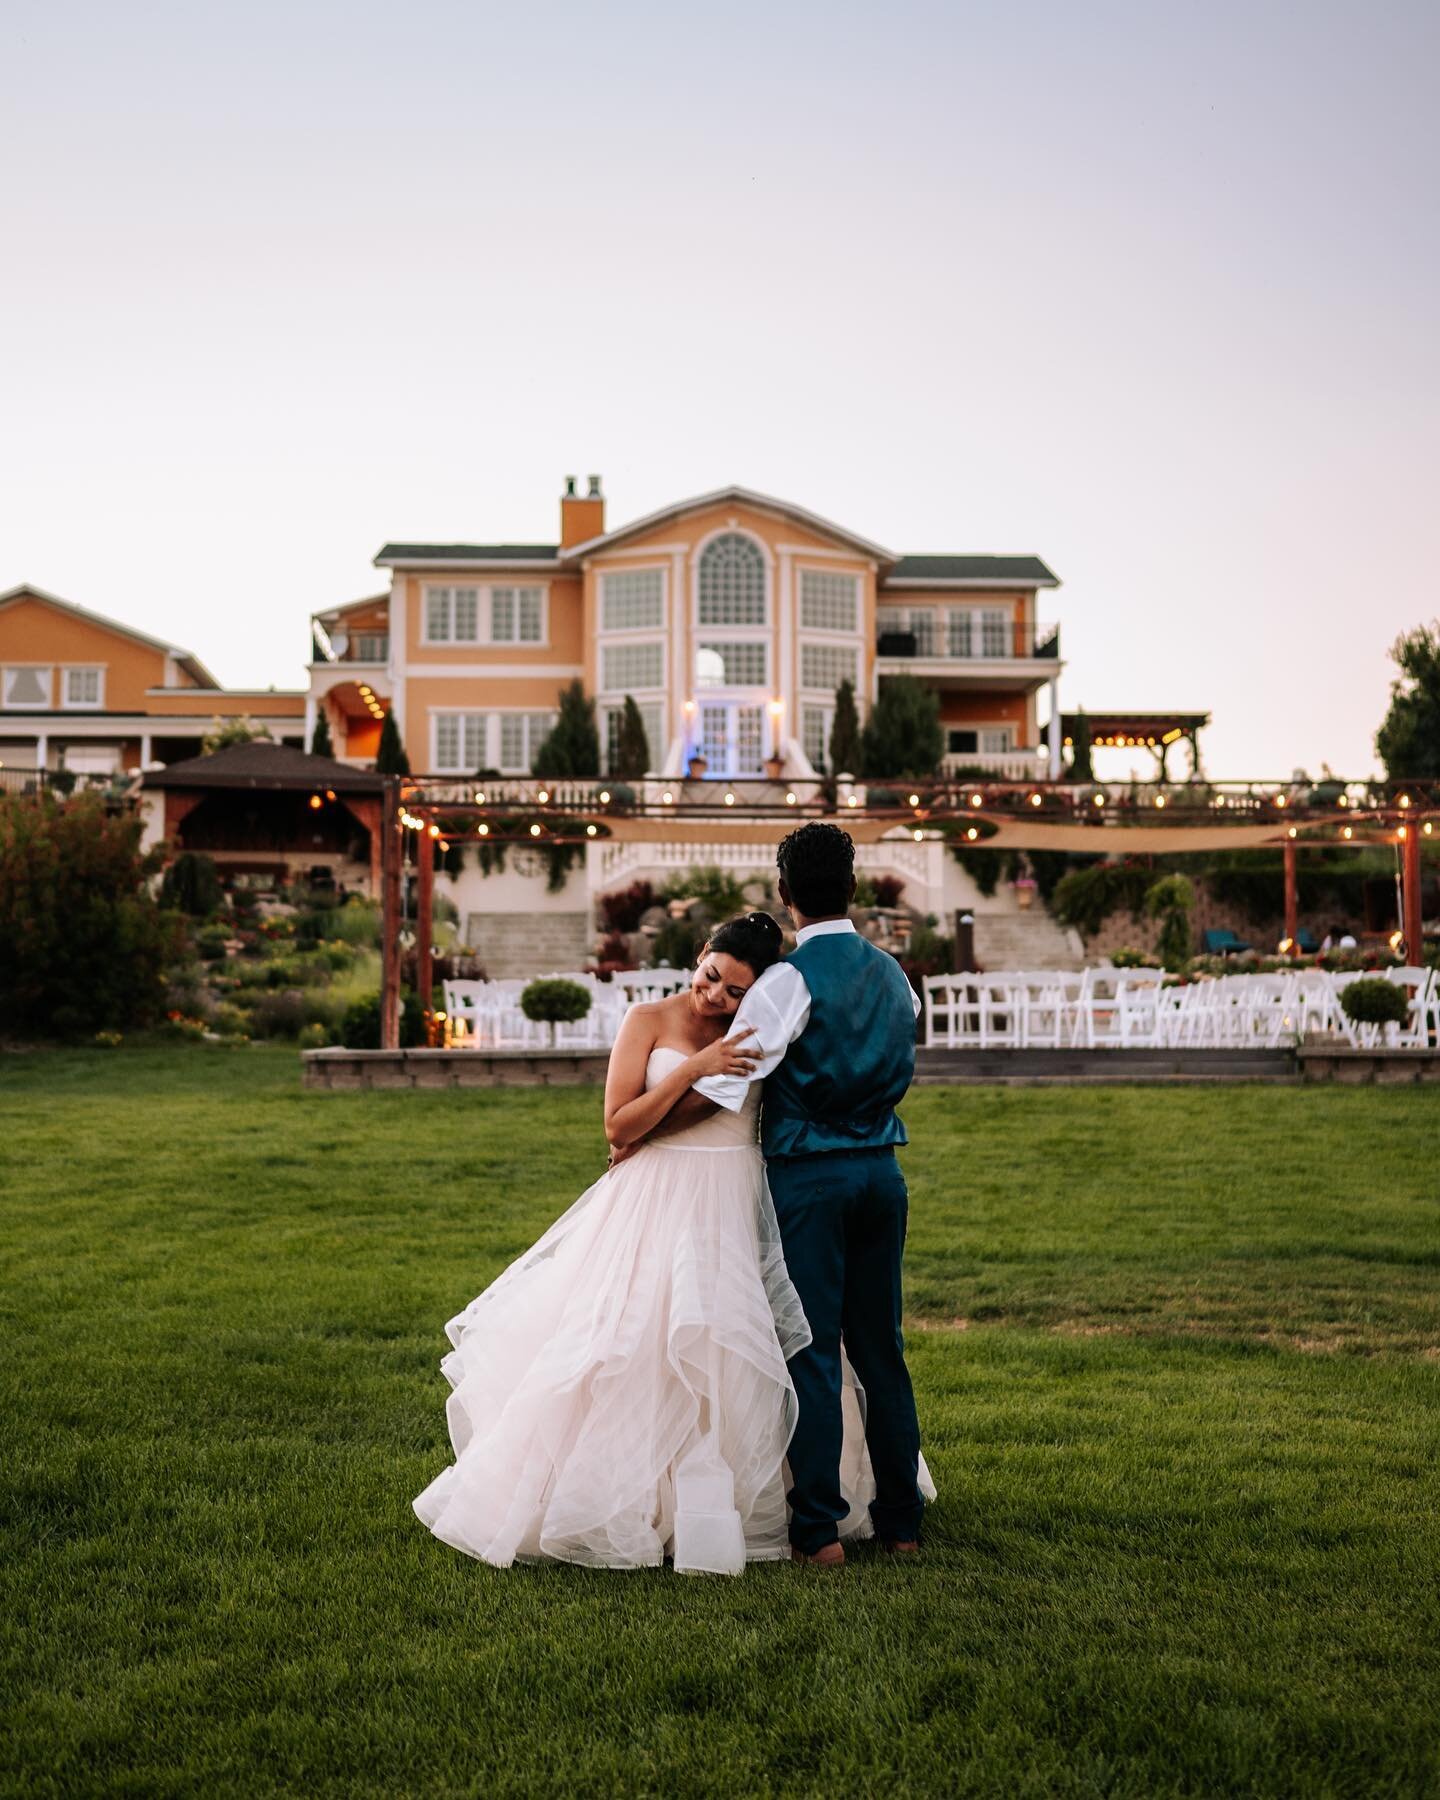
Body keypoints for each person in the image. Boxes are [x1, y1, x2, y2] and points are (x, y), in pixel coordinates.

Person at [413, 912, 814, 1574]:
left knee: (722, 1344)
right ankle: (618, 1501)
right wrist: (695, 1068)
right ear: (700, 954)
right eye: (711, 978)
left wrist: (724, 1055)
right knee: (634, 1341)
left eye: (735, 992)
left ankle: (713, 1508)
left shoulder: (759, 1029)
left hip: (730, 1195)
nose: (715, 998)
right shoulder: (648, 1022)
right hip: (654, 1196)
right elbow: (619, 1126)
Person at [646, 823, 931, 1568]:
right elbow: (900, 1049)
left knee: (810, 1351)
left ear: (784, 894)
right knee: (881, 1349)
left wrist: (644, 1128)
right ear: (855, 887)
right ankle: (901, 1521)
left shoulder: (787, 981)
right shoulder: (896, 976)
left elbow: (730, 1081)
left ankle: (817, 1533)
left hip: (811, 1179)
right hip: (883, 1174)